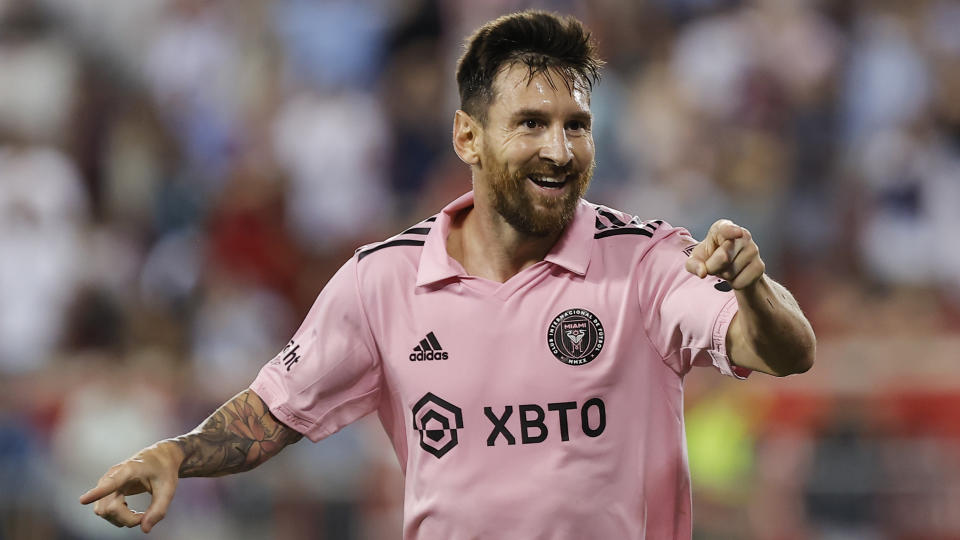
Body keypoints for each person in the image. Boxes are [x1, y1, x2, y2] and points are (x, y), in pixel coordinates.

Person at [79, 10, 815, 539]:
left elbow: (784, 350)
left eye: (577, 124)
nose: (560, 148)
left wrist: (753, 285)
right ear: (468, 135)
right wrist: (176, 452)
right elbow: (273, 413)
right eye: (531, 123)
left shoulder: (649, 262)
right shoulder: (383, 280)